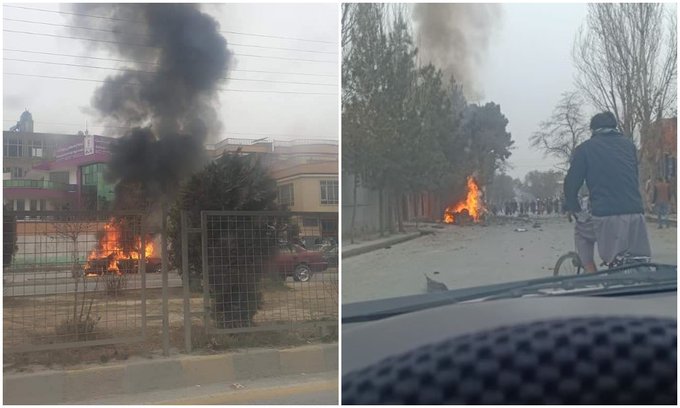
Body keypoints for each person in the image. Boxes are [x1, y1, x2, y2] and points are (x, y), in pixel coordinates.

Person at [564, 111, 651, 271]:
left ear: (593, 130)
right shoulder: (629, 146)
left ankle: (592, 277)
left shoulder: (585, 149)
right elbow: (633, 176)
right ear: (614, 127)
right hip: (636, 213)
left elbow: (571, 184)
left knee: (581, 231)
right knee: (639, 261)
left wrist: (574, 208)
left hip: (606, 214)